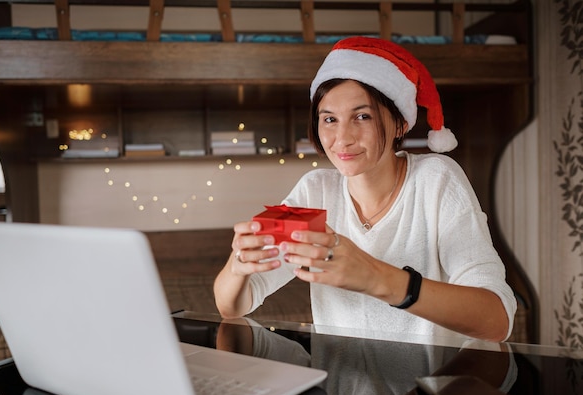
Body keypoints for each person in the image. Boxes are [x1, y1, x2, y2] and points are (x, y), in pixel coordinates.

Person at [213, 36, 517, 342]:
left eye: (362, 116)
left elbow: (496, 320)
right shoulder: (313, 191)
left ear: (399, 124)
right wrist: (239, 264)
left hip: (427, 386)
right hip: (340, 387)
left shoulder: (436, 180)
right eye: (329, 119)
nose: (342, 138)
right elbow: (233, 306)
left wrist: (374, 277)